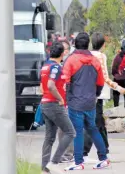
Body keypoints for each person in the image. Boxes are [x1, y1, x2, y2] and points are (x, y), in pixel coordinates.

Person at [63, 32, 110, 171]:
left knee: (77, 131)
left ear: (75, 43)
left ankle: (78, 162)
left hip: (75, 102)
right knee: (93, 128)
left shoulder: (71, 60)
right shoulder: (95, 60)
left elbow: (64, 81)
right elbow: (101, 82)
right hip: (90, 102)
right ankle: (103, 158)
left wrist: (67, 98)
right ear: (87, 44)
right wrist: (95, 95)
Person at [83, 33, 125, 162]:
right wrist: (119, 88)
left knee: (99, 122)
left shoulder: (87, 55)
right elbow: (105, 78)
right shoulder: (101, 56)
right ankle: (85, 152)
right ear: (103, 45)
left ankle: (105, 150)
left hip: (88, 93)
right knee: (95, 123)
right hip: (99, 94)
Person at [40, 42, 76, 173]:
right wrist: (60, 98)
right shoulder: (56, 67)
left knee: (49, 138)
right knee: (70, 132)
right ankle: (54, 161)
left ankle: (44, 167)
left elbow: (42, 87)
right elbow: (50, 85)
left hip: (45, 103)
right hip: (54, 104)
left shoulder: (45, 66)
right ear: (62, 54)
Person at [112, 40, 125, 107]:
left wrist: (116, 75)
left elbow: (113, 70)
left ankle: (116, 109)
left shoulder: (117, 57)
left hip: (117, 79)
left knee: (116, 95)